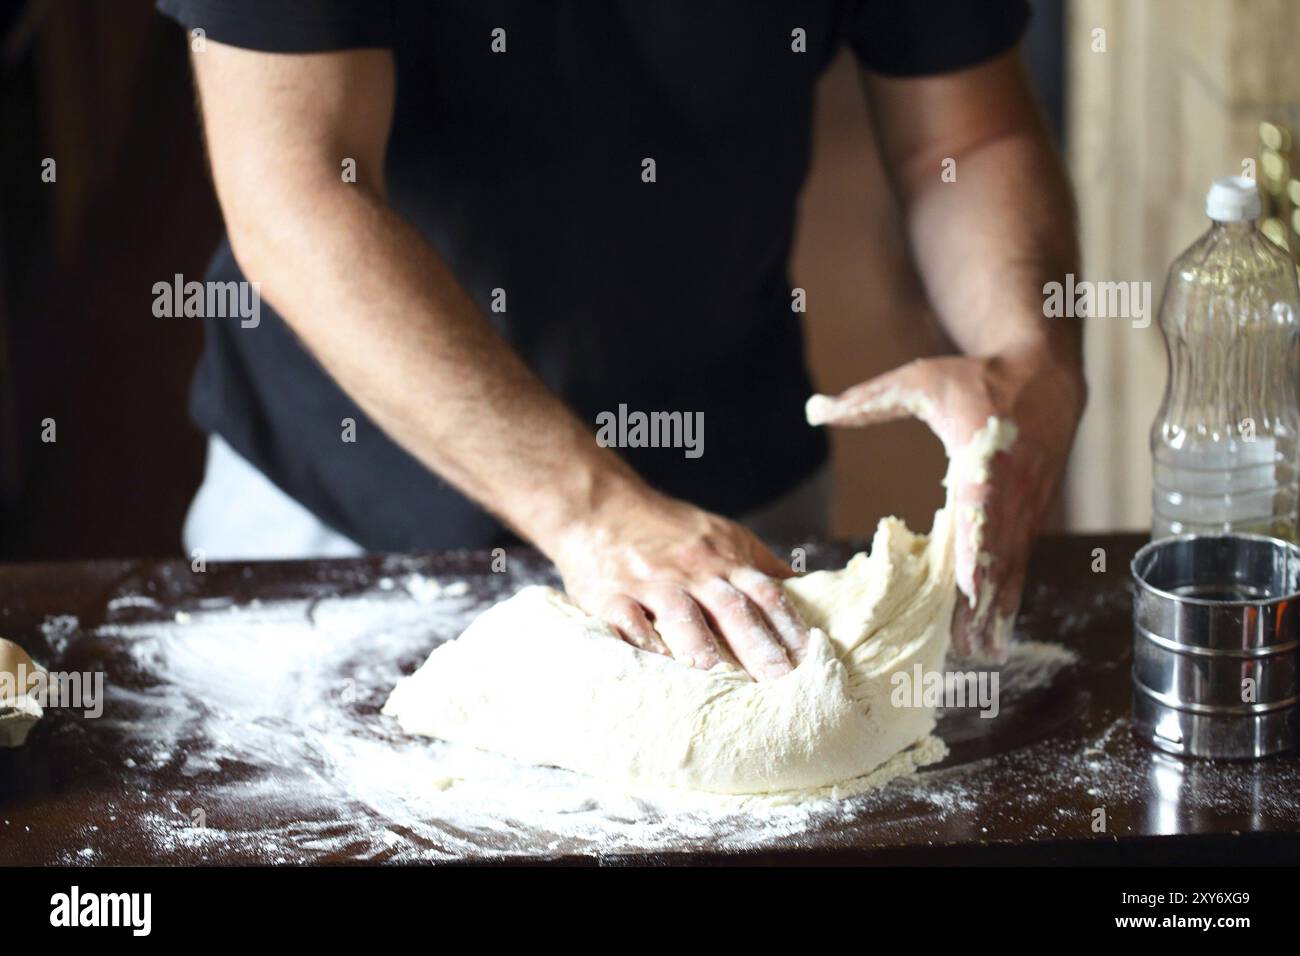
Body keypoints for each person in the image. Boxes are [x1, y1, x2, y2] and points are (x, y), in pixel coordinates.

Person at [158, 0, 1085, 679]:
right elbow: (294, 188)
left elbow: (964, 139)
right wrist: (591, 512)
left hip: (731, 508)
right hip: (345, 500)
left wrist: (1026, 352)